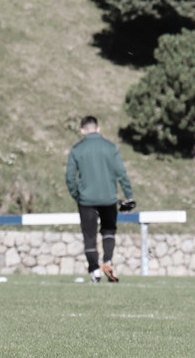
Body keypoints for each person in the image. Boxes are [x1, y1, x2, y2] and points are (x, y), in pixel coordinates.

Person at [65, 115, 134, 284]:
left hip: (86, 200)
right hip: (108, 198)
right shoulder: (110, 148)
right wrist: (128, 194)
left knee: (89, 236)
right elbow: (121, 173)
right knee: (108, 231)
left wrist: (77, 195)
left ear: (82, 130)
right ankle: (108, 261)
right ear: (98, 128)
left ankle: (94, 271)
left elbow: (70, 177)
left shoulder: (77, 150)